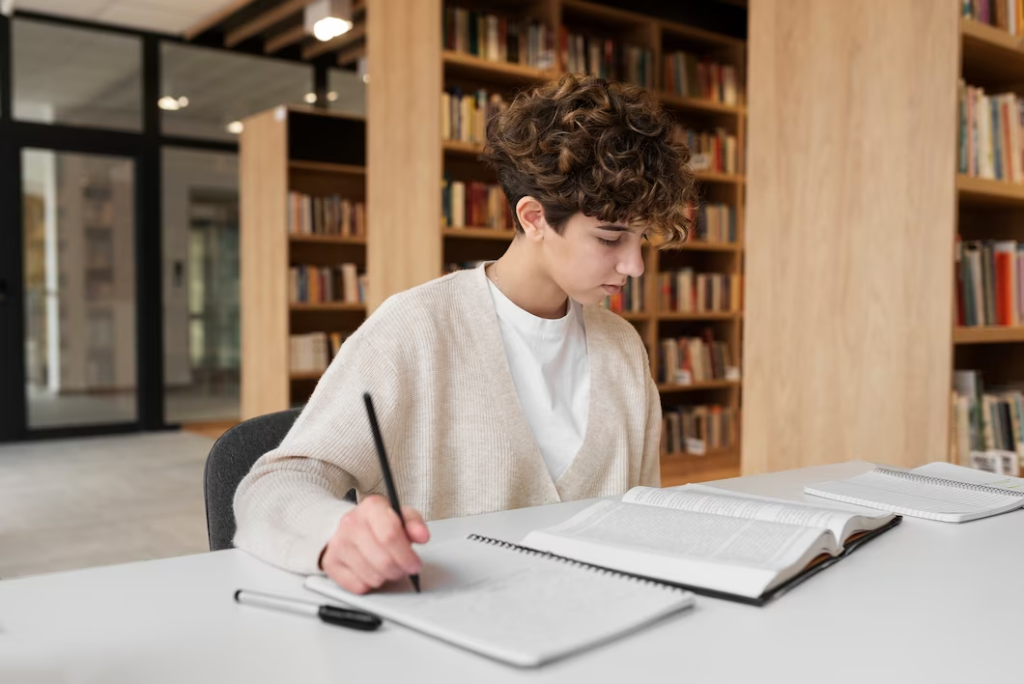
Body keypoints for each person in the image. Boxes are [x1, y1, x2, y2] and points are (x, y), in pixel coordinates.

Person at [233, 73, 696, 594]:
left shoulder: (622, 348)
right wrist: (336, 534)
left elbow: (640, 516)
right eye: (610, 238)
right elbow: (274, 486)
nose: (634, 266)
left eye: (641, 239)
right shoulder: (415, 330)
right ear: (534, 217)